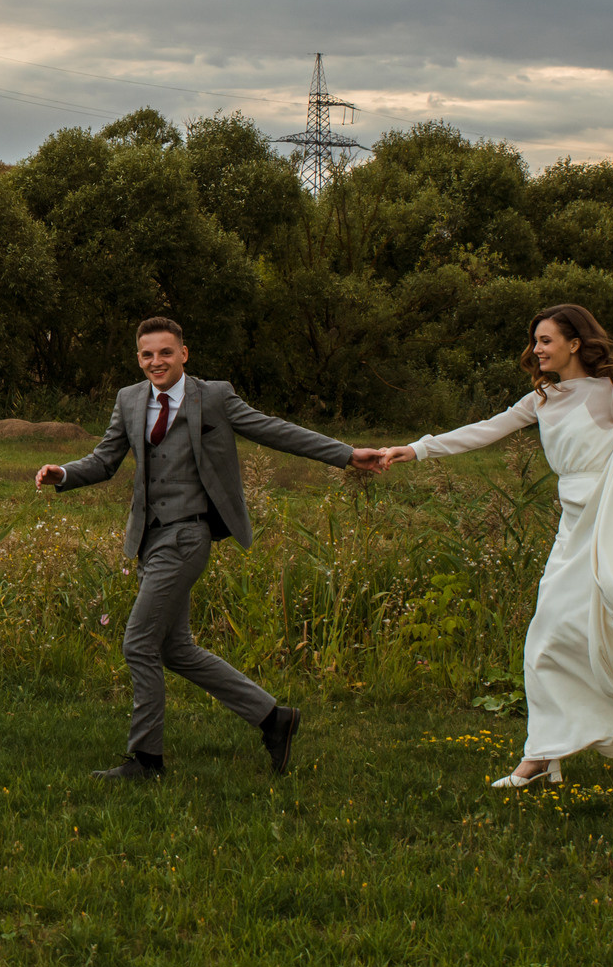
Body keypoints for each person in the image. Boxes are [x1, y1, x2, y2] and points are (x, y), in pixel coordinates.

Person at [379, 304, 613, 788]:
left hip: (607, 517)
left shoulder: (608, 392)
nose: (536, 350)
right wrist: (413, 449)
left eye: (546, 340)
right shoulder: (541, 399)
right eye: (536, 341)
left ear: (574, 343)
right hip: (573, 522)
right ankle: (544, 752)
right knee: (551, 632)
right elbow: (482, 432)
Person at [36, 316, 390, 780]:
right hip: (150, 538)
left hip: (188, 535)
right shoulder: (129, 399)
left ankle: (146, 760)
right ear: (138, 358)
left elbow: (274, 430)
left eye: (165, 352)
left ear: (184, 354)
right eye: (147, 354)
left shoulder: (215, 396)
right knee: (176, 649)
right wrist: (63, 473)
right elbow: (104, 461)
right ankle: (273, 718)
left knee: (139, 643)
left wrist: (346, 454)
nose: (156, 361)